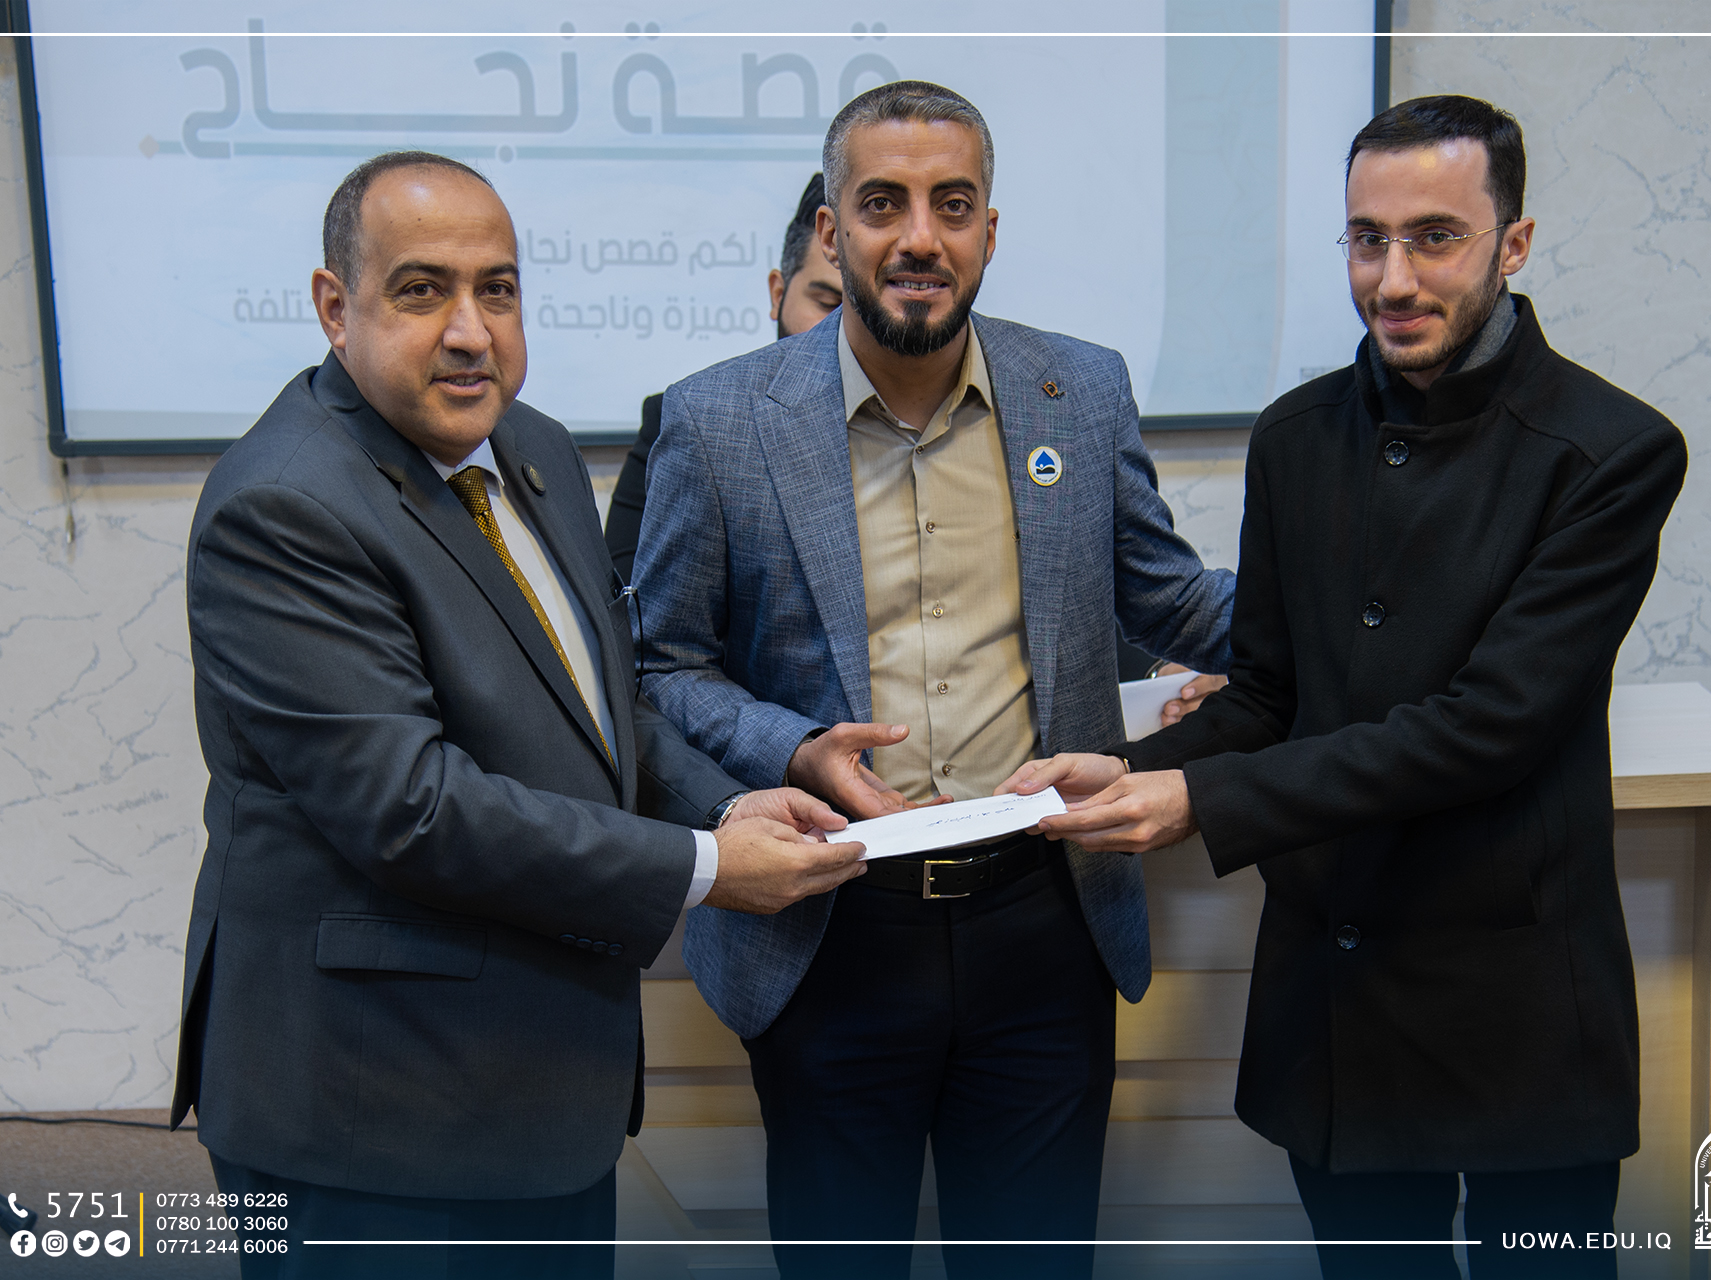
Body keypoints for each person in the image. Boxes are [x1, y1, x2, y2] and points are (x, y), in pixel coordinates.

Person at [1006, 96, 1687, 1280]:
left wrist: (1201, 802)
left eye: (1436, 236)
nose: (1393, 277)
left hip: (1521, 1004)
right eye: (1368, 238)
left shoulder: (1611, 451)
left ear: (1514, 244)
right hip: (1340, 996)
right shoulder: (1295, 435)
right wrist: (1130, 772)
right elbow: (1267, 695)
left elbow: (1489, 728)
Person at [170, 151, 866, 1280]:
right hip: (371, 1118)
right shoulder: (285, 505)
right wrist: (704, 866)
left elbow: (598, 702)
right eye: (421, 290)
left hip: (539, 1092)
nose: (469, 330)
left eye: (496, 289)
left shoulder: (530, 446)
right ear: (335, 307)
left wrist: (728, 802)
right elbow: (411, 811)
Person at [634, 82, 1237, 1279]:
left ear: (989, 230)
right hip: (831, 923)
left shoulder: (1080, 389)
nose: (920, 236)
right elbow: (662, 663)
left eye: (952, 205)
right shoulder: (717, 420)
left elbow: (1169, 598)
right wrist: (792, 746)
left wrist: (1334, 614)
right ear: (832, 231)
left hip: (1044, 921)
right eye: (883, 204)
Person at [603, 171, 841, 583]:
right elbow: (627, 594)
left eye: (857, 310)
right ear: (778, 293)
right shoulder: (689, 423)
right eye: (825, 302)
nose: (839, 329)